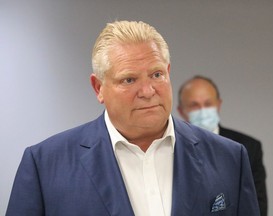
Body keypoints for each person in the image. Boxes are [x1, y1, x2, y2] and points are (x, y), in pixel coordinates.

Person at [6, 21, 260, 216]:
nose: (148, 91)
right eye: (129, 79)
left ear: (169, 72)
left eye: (157, 75)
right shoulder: (45, 165)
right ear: (98, 88)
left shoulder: (229, 158)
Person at [177, 75, 267, 216]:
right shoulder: (172, 148)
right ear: (181, 111)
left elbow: (256, 207)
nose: (202, 111)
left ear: (219, 104)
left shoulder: (247, 147)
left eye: (208, 104)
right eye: (194, 105)